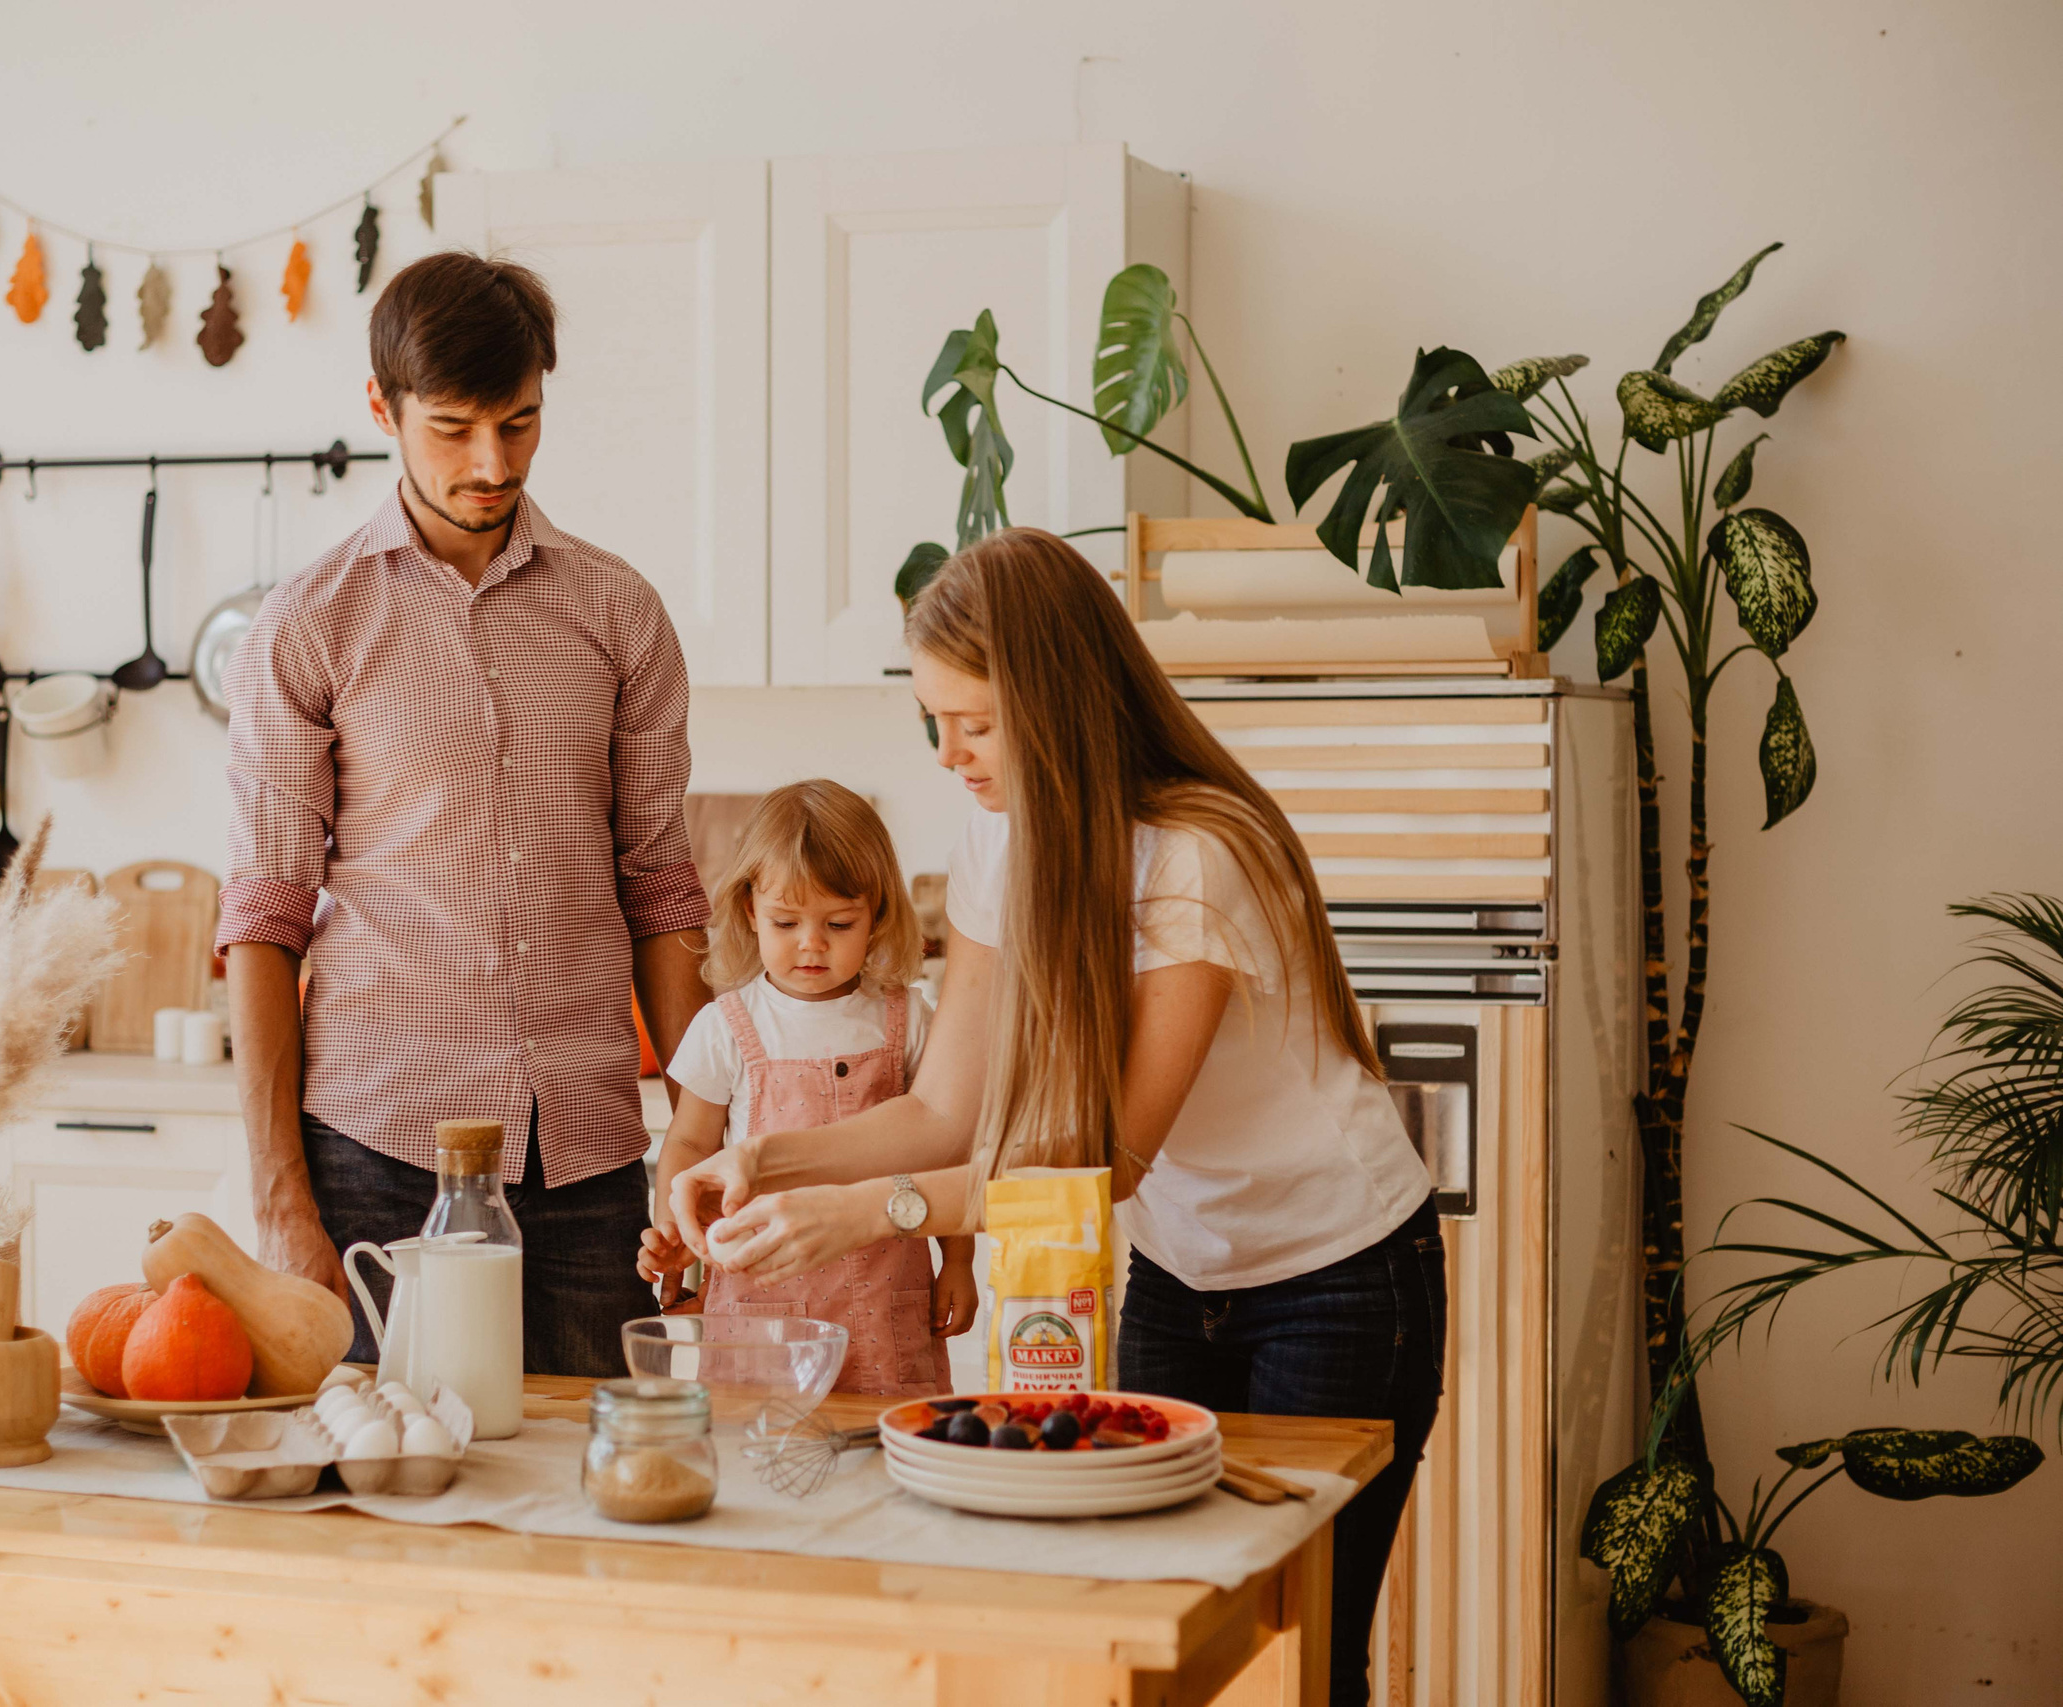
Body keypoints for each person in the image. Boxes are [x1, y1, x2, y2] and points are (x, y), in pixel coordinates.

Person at [665, 529, 1442, 1706]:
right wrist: (759, 1161)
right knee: (1159, 1643)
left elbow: (1107, 1162)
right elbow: (947, 1107)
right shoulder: (997, 834)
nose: (948, 756)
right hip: (1183, 1282)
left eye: (973, 723)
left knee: (1297, 1664)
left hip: (1338, 1285)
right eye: (934, 722)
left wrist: (862, 1214)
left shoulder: (1194, 856)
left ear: (1056, 698)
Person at [219, 251, 713, 1380]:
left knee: (593, 1492)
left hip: (589, 1157)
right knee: (385, 1495)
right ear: (381, 410)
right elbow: (263, 915)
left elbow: (660, 888)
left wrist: (703, 1141)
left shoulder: (617, 613)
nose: (491, 464)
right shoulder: (310, 625)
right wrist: (280, 1199)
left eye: (520, 424)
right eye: (451, 429)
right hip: (374, 1150)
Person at [637, 781, 975, 1394]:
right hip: (760, 1308)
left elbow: (945, 1153)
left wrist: (958, 1260)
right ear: (749, 912)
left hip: (885, 1302)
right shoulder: (726, 1026)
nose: (811, 942)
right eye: (785, 922)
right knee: (761, 1450)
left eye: (838, 922)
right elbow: (687, 1147)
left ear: (876, 917)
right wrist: (675, 1236)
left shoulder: (909, 1020)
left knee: (882, 1453)